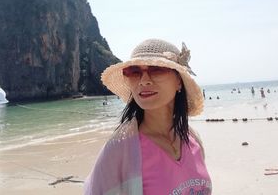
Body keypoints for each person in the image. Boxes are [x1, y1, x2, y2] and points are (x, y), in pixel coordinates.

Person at [84, 39, 212, 194]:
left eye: (156, 69)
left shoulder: (193, 140)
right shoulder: (119, 150)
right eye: (134, 72)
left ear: (179, 80)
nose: (144, 81)